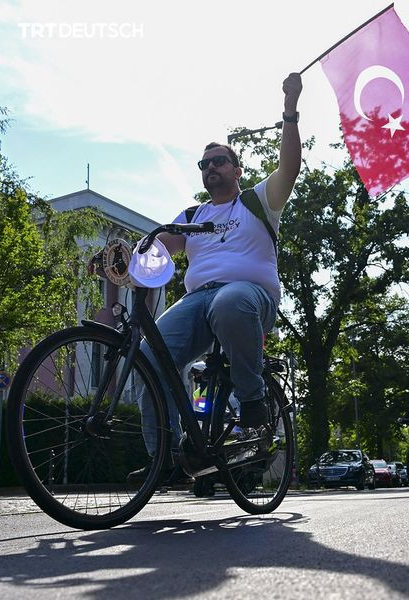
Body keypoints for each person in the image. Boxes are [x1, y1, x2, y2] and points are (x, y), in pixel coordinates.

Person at [127, 73, 303, 479]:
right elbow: (154, 247)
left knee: (230, 300)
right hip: (197, 301)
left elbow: (290, 168)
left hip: (250, 297)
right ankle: (165, 458)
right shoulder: (192, 216)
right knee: (149, 357)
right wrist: (116, 257)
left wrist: (290, 109)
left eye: (219, 161)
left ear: (237, 170)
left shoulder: (258, 201)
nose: (210, 167)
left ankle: (253, 401)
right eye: (204, 164)